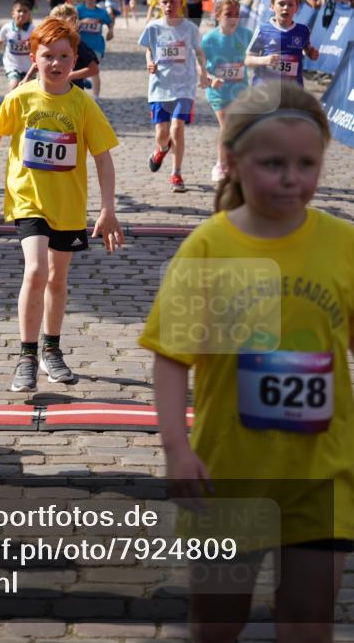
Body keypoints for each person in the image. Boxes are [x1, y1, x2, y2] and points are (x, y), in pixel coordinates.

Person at [139, 83, 354, 643]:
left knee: (308, 623)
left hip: (322, 474)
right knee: (217, 623)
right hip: (227, 475)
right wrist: (176, 449)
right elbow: (171, 355)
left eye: (307, 163)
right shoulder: (210, 247)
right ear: (233, 161)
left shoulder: (343, 244)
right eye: (273, 163)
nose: (291, 178)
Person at [0, 17, 124, 393]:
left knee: (57, 279)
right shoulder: (20, 97)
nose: (56, 63)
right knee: (36, 270)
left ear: (75, 58)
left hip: (69, 206)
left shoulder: (83, 104)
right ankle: (27, 356)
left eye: (64, 56)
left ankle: (51, 349)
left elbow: (103, 158)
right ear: (34, 57)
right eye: (48, 56)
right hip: (28, 200)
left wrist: (108, 208)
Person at [139, 0, 208, 194]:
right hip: (160, 85)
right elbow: (148, 49)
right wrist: (149, 62)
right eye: (165, 2)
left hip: (184, 86)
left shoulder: (190, 28)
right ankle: (161, 149)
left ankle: (176, 173)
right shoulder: (153, 27)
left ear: (181, 2)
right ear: (159, 4)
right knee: (162, 133)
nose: (169, 5)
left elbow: (199, 52)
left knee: (177, 128)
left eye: (173, 2)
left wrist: (203, 73)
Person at [201, 0, 253, 182]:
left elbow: (257, 55)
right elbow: (200, 67)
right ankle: (221, 164)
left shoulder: (246, 35)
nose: (233, 18)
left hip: (240, 90)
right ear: (217, 15)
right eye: (228, 14)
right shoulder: (209, 39)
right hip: (218, 92)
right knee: (227, 127)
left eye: (236, 14)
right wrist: (211, 78)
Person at [245, 0, 319, 87]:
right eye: (281, 4)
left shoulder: (303, 30)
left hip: (292, 89)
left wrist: (312, 54)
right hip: (265, 88)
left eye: (290, 5)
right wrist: (264, 60)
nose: (286, 8)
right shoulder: (263, 29)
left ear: (296, 8)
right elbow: (247, 60)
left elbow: (307, 50)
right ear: (272, 6)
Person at [0, 0, 35, 92]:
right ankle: (10, 100)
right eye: (19, 11)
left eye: (25, 11)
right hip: (12, 65)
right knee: (14, 84)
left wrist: (31, 45)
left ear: (29, 14)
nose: (22, 14)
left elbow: (39, 47)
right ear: (12, 13)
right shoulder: (7, 28)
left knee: (28, 90)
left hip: (29, 66)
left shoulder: (33, 30)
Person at [76, 0, 114, 100]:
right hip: (81, 45)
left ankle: (96, 97)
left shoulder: (101, 12)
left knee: (94, 69)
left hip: (97, 45)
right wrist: (82, 22)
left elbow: (109, 22)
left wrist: (110, 31)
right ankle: (81, 86)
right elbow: (71, 24)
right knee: (80, 69)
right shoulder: (78, 10)